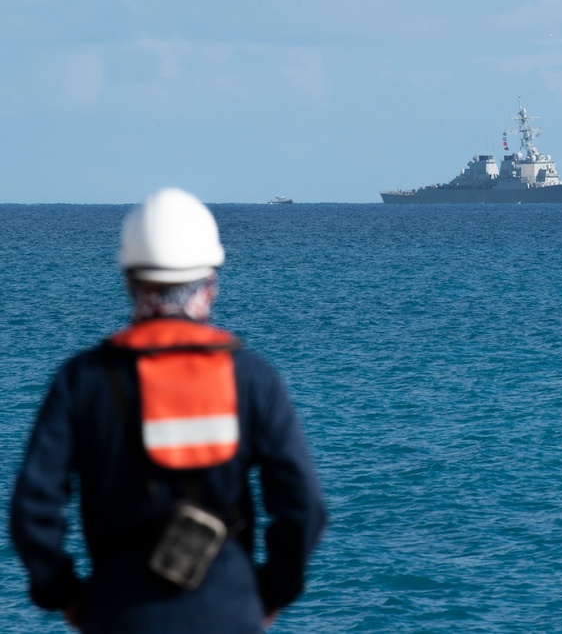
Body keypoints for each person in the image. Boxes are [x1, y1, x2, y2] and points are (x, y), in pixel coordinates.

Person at [10, 188, 327, 633]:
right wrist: (271, 592)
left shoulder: (83, 380)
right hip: (229, 609)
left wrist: (65, 595)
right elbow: (304, 505)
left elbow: (33, 508)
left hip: (119, 612)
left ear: (129, 281)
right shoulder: (253, 378)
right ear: (210, 287)